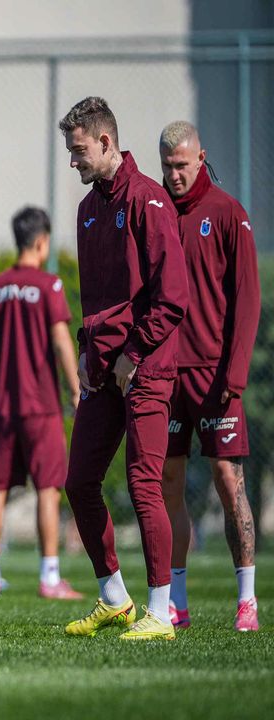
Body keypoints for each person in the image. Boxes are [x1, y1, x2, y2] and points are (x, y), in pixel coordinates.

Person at [58, 97, 187, 641]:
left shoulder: (148, 200)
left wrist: (133, 355)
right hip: (103, 369)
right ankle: (115, 598)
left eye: (78, 150)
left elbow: (172, 297)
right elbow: (97, 301)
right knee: (79, 482)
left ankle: (161, 612)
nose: (73, 160)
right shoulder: (88, 209)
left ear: (105, 141)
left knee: (143, 484)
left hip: (146, 367)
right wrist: (89, 356)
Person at [157, 120, 260, 632]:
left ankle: (247, 599)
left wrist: (234, 375)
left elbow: (247, 299)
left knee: (226, 479)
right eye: (167, 166)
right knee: (168, 482)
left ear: (201, 158)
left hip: (216, 376)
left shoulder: (227, 212)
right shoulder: (155, 212)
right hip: (165, 375)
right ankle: (176, 601)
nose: (174, 175)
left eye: (182, 165)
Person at [0, 207, 83, 600]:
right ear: (42, 241)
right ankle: (49, 577)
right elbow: (61, 340)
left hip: (7, 406)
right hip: (42, 407)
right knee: (48, 490)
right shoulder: (49, 285)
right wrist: (75, 388)